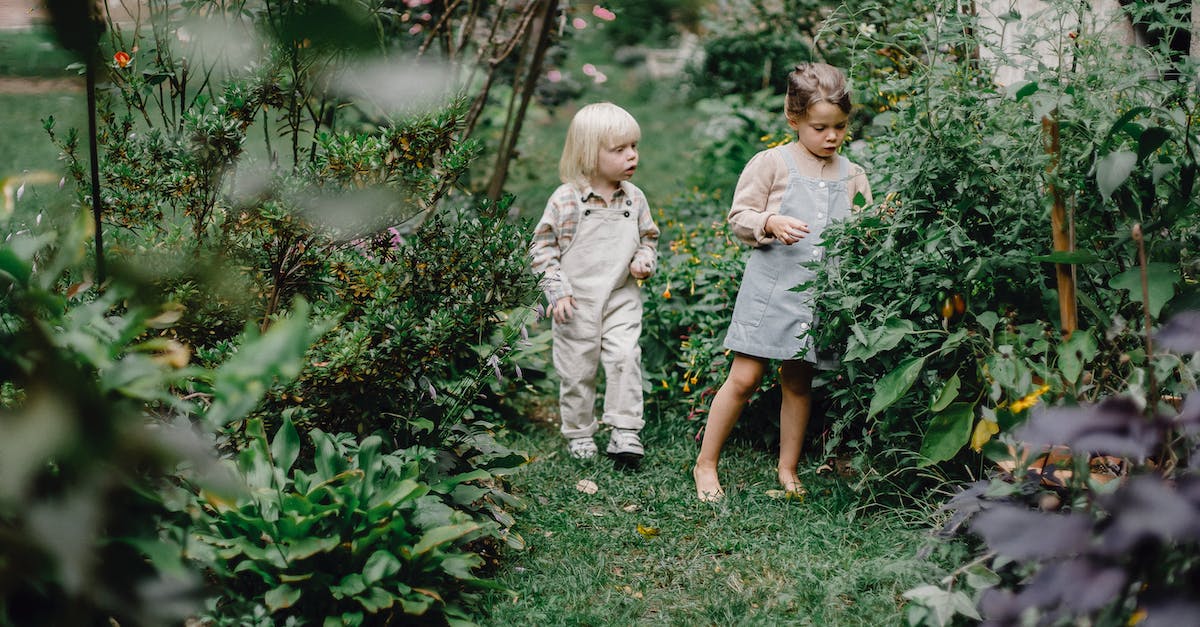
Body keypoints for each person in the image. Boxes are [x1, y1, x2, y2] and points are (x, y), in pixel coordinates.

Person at [693, 63, 872, 501]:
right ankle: (706, 463)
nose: (831, 137)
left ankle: (788, 469)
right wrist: (769, 220)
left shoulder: (852, 174)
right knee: (745, 377)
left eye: (840, 127)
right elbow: (739, 217)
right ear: (793, 120)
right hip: (772, 289)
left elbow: (862, 229)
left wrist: (874, 226)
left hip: (820, 297)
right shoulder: (773, 162)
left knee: (798, 382)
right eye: (820, 127)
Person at [530, 102, 659, 462]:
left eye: (634, 146)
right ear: (589, 154)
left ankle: (625, 430)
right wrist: (557, 290)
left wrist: (642, 260)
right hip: (576, 301)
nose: (632, 156)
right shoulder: (567, 200)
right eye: (620, 150)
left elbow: (649, 238)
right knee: (577, 369)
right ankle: (580, 431)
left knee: (624, 357)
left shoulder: (634, 199)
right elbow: (542, 247)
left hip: (621, 295)